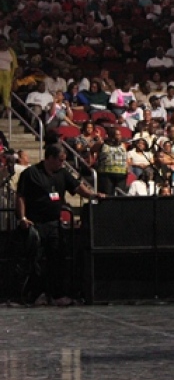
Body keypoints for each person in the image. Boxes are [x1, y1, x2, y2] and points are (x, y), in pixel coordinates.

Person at [16, 144, 105, 305]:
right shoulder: (31, 173)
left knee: (57, 259)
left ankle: (56, 295)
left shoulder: (62, 173)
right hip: (35, 224)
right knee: (36, 261)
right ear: (49, 158)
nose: (62, 164)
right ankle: (35, 294)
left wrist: (92, 195)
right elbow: (21, 196)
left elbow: (77, 187)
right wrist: (22, 217)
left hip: (54, 224)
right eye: (60, 160)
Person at [92, 127, 128, 196]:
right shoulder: (103, 144)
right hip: (106, 174)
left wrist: (127, 166)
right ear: (111, 135)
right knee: (107, 196)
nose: (119, 136)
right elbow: (92, 150)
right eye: (117, 135)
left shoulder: (123, 145)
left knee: (121, 196)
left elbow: (125, 158)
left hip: (121, 174)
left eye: (120, 134)